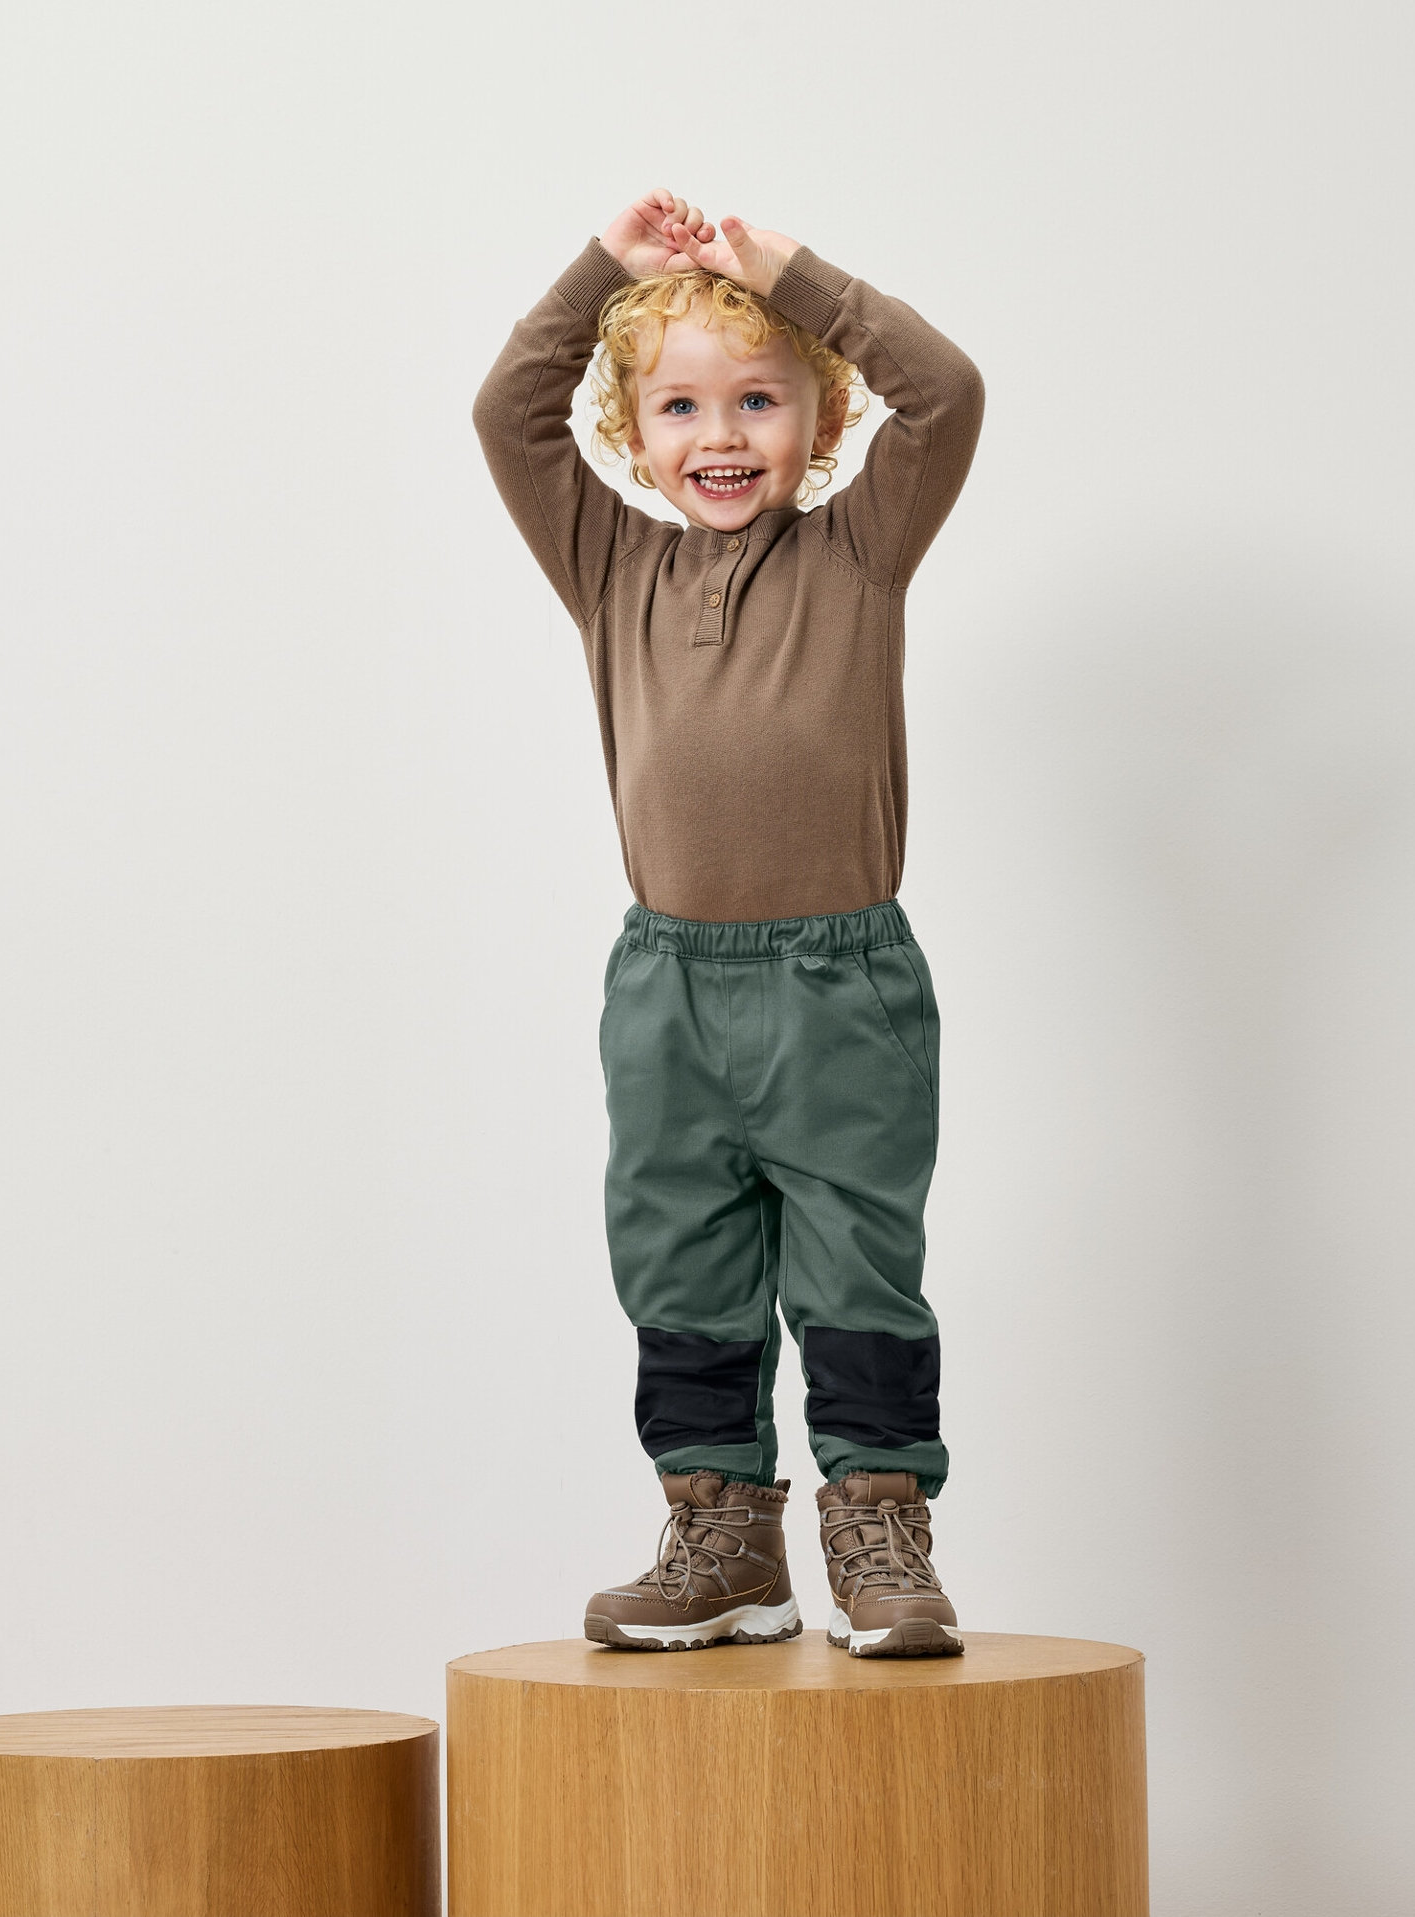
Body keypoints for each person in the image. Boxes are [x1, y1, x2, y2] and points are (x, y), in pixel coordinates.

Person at [473, 189, 984, 1657]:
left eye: (759, 401)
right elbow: (507, 416)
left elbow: (942, 395)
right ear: (632, 434)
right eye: (682, 405)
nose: (719, 435)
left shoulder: (864, 548)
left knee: (852, 1260)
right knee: (678, 1256)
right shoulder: (607, 564)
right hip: (668, 985)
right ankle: (721, 1531)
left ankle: (878, 1521)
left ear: (820, 419)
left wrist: (786, 277)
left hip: (840, 981)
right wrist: (606, 271)